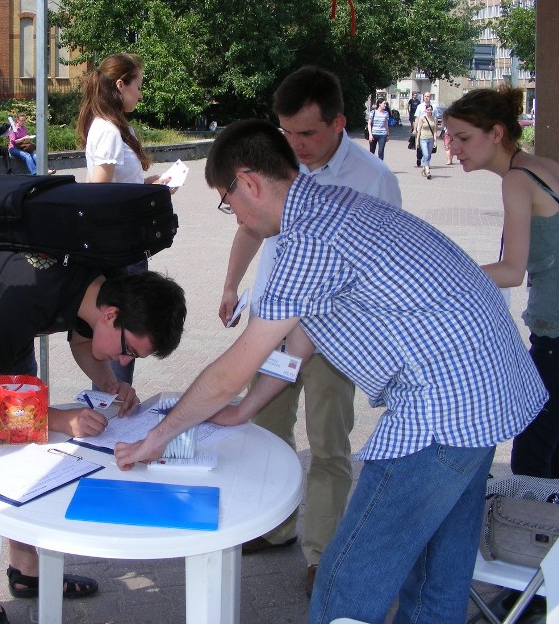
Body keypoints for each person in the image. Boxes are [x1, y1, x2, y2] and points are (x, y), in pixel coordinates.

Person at [117, 118, 547, 623]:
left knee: (346, 580)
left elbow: (234, 368)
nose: (234, 217)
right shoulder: (333, 209)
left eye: (226, 201)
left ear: (248, 182)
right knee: (437, 572)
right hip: (487, 391)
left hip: (444, 408)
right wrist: (245, 410)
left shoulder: (308, 239)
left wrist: (160, 435)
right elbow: (299, 341)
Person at [0, 257, 186, 624]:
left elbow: (83, 338)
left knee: (25, 451)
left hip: (8, 334)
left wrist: (111, 383)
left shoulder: (100, 285)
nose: (125, 359)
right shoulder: (25, 300)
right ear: (111, 315)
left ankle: (27, 571)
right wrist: (59, 418)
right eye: (128, 349)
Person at [218, 65, 401, 597]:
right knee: (264, 432)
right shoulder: (280, 165)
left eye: (307, 133)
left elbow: (383, 266)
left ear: (340, 122)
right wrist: (231, 286)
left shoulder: (373, 178)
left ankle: (322, 552)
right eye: (287, 133)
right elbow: (252, 224)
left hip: (334, 337)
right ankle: (273, 527)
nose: (295, 145)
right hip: (271, 322)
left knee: (327, 443)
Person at [446, 86, 559, 479]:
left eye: (463, 138)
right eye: (450, 137)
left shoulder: (516, 179)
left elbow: (511, 270)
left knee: (532, 460)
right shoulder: (543, 165)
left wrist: (445, 276)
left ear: (495, 133)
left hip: (556, 336)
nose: (454, 147)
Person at [75, 52, 172, 386]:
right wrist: (145, 199)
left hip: (127, 251)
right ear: (120, 85)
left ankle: (116, 405)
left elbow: (118, 188)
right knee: (122, 341)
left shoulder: (115, 127)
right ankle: (114, 409)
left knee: (125, 344)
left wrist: (150, 189)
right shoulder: (107, 130)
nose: (140, 94)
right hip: (118, 257)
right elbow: (98, 198)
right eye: (138, 86)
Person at [413, 91, 437, 168]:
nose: (427, 97)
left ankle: (426, 163)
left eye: (428, 96)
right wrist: (414, 129)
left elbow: (435, 119)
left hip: (429, 129)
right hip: (420, 129)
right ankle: (419, 158)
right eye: (425, 96)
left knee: (428, 150)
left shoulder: (434, 107)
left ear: (430, 97)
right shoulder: (420, 106)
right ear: (423, 97)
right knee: (419, 146)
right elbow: (417, 118)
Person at [415, 103, 437, 179]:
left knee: (429, 156)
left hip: (431, 139)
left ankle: (424, 167)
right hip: (423, 139)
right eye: (428, 110)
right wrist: (417, 141)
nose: (429, 111)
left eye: (430, 110)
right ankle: (428, 172)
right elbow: (419, 130)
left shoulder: (434, 119)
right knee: (426, 155)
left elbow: (434, 131)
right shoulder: (422, 119)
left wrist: (435, 141)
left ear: (432, 110)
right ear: (425, 110)